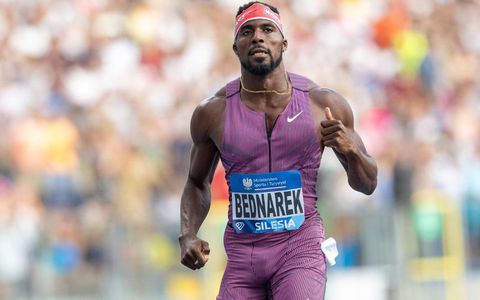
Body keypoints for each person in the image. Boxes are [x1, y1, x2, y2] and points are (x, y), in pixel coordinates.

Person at [179, 2, 377, 299]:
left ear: (283, 43)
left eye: (267, 29)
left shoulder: (323, 105)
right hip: (244, 257)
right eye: (247, 31)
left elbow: (368, 184)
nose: (257, 37)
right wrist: (188, 233)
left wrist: (352, 152)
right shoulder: (213, 113)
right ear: (235, 47)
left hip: (299, 248)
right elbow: (196, 182)